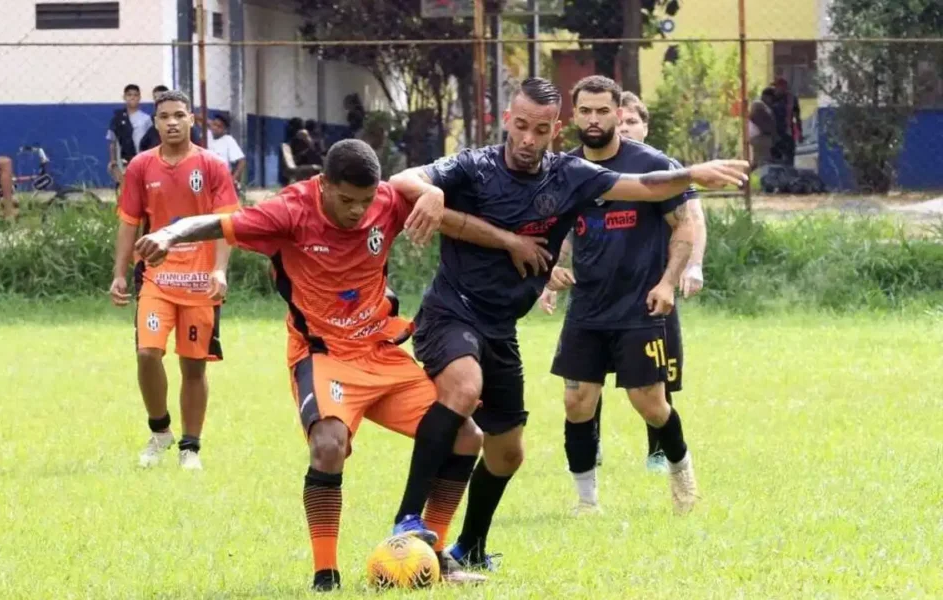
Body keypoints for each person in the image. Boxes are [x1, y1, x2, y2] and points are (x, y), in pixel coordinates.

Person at [129, 139, 554, 591]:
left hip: (378, 348)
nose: (357, 212)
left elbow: (441, 205)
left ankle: (432, 559)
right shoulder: (289, 210)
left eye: (365, 201)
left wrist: (446, 203)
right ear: (324, 184)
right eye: (347, 200)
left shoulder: (387, 201)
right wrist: (168, 234)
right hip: (323, 353)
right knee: (328, 446)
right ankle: (325, 577)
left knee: (466, 436)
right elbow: (217, 222)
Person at [389, 77, 747, 569]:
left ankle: (469, 550)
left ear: (555, 131)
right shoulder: (474, 165)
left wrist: (692, 174)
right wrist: (430, 193)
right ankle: (407, 519)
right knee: (466, 388)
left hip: (502, 326)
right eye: (520, 126)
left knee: (508, 453)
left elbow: (643, 187)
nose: (528, 139)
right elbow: (402, 181)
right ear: (506, 121)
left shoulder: (569, 175)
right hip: (452, 308)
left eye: (540, 130)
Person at [532, 76, 701, 517]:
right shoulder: (564, 169)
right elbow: (556, 231)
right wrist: (550, 269)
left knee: (650, 404)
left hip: (639, 305)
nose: (594, 119)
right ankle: (586, 503)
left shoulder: (650, 164)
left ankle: (682, 472)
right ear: (573, 117)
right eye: (585, 111)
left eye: (602, 111)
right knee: (576, 401)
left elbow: (684, 224)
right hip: (587, 307)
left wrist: (668, 281)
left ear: (617, 113)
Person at [109, 90, 238, 472]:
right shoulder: (140, 167)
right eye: (164, 116)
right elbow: (129, 222)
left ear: (191, 120)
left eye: (179, 115)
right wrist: (118, 272)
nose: (172, 122)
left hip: (200, 283)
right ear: (155, 122)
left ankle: (190, 447)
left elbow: (227, 222)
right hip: (156, 278)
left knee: (194, 366)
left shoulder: (213, 165)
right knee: (147, 353)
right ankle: (160, 430)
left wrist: (219, 269)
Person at [107, 84, 153, 186]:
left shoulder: (146, 119)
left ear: (140, 98)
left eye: (135, 95)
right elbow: (112, 142)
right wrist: (113, 162)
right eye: (129, 95)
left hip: (142, 160)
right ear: (124, 97)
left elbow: (151, 142)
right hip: (123, 162)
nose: (132, 97)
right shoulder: (117, 119)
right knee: (126, 189)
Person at [205, 113, 246, 183]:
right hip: (206, 178)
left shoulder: (228, 140)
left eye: (219, 126)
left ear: (225, 130)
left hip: (221, 180)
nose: (215, 128)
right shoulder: (206, 135)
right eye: (214, 124)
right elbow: (196, 118)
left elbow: (242, 161)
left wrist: (233, 179)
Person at [749, 88, 778, 169]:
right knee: (762, 162)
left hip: (760, 137)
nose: (772, 101)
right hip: (760, 137)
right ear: (767, 97)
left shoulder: (762, 106)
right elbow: (759, 119)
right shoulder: (759, 106)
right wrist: (768, 131)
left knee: (758, 161)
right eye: (772, 98)